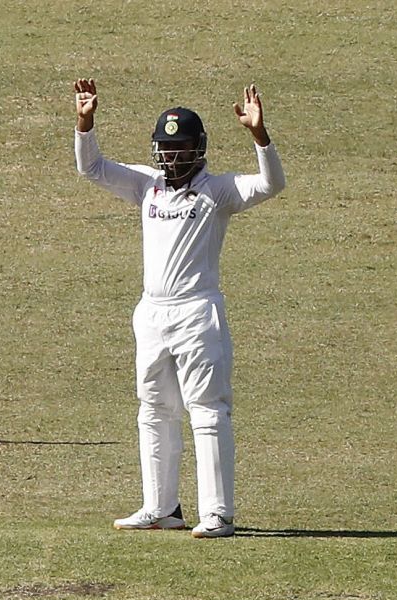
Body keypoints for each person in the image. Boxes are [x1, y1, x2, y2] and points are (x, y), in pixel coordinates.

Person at [73, 79, 286, 538]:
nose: (171, 156)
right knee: (153, 410)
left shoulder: (219, 190)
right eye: (165, 148)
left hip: (197, 313)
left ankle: (218, 515)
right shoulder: (146, 186)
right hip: (151, 313)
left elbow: (271, 184)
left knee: (207, 412)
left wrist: (260, 137)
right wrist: (85, 123)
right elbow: (92, 169)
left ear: (199, 149)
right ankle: (161, 507)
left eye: (181, 147)